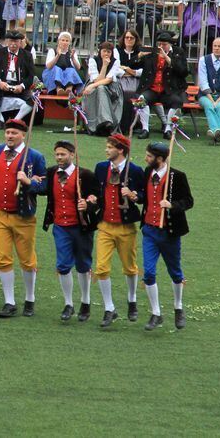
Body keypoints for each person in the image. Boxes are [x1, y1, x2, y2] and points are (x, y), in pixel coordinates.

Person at [0, 119, 46, 317]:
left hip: (23, 216)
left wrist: (28, 181)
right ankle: (9, 302)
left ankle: (29, 299)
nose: (10, 136)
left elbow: (44, 186)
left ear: (23, 135)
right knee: (3, 259)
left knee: (27, 259)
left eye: (14, 133)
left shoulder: (35, 156)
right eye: (8, 132)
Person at [88, 133, 145, 327]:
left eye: (110, 147)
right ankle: (109, 308)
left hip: (126, 227)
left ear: (120, 150)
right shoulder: (101, 167)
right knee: (101, 268)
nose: (106, 150)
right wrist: (92, 199)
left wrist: (134, 195)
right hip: (104, 226)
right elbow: (96, 190)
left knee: (130, 268)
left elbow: (144, 194)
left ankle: (132, 300)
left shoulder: (135, 171)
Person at [43, 139, 101, 321]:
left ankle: (85, 301)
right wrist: (29, 181)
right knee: (63, 265)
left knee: (83, 265)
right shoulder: (51, 172)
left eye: (63, 154)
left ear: (72, 155)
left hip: (81, 227)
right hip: (60, 226)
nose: (59, 157)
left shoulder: (85, 175)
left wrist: (88, 203)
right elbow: (43, 189)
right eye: (57, 154)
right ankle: (68, 304)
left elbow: (97, 198)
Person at [140, 142, 194, 330]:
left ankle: (178, 307)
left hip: (169, 232)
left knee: (175, 272)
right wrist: (133, 195)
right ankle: (156, 313)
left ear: (160, 159)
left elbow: (188, 201)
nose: (146, 159)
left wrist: (171, 205)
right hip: (149, 231)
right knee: (148, 272)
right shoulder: (147, 173)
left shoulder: (177, 176)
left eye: (149, 156)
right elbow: (144, 196)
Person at [138, 30, 189, 139]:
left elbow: (183, 72)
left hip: (169, 90)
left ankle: (168, 129)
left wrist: (167, 58)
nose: (161, 46)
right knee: (142, 99)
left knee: (177, 101)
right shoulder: (152, 53)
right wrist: (140, 55)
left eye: (164, 44)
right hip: (152, 89)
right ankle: (145, 129)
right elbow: (133, 65)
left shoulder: (178, 52)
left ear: (170, 44)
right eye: (159, 44)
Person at [0, 30, 35, 125]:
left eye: (16, 41)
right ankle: (0, 119)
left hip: (19, 85)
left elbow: (31, 75)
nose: (13, 44)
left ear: (20, 42)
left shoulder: (27, 55)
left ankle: (14, 121)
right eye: (11, 41)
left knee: (33, 99)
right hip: (1, 84)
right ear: (6, 41)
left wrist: (22, 86)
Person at [196, 37, 220, 144]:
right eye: (215, 46)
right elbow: (203, 82)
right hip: (205, 95)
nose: (216, 48)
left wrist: (217, 101)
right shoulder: (203, 60)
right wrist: (211, 100)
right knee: (209, 106)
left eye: (219, 46)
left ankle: (214, 132)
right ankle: (218, 133)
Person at [83, 41, 124, 136]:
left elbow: (108, 80)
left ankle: (105, 122)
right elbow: (97, 80)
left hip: (111, 88)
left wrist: (91, 86)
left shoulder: (115, 62)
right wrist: (104, 66)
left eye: (109, 52)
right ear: (100, 51)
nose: (106, 54)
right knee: (100, 88)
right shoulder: (93, 61)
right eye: (104, 51)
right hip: (95, 84)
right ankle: (104, 122)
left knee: (101, 88)